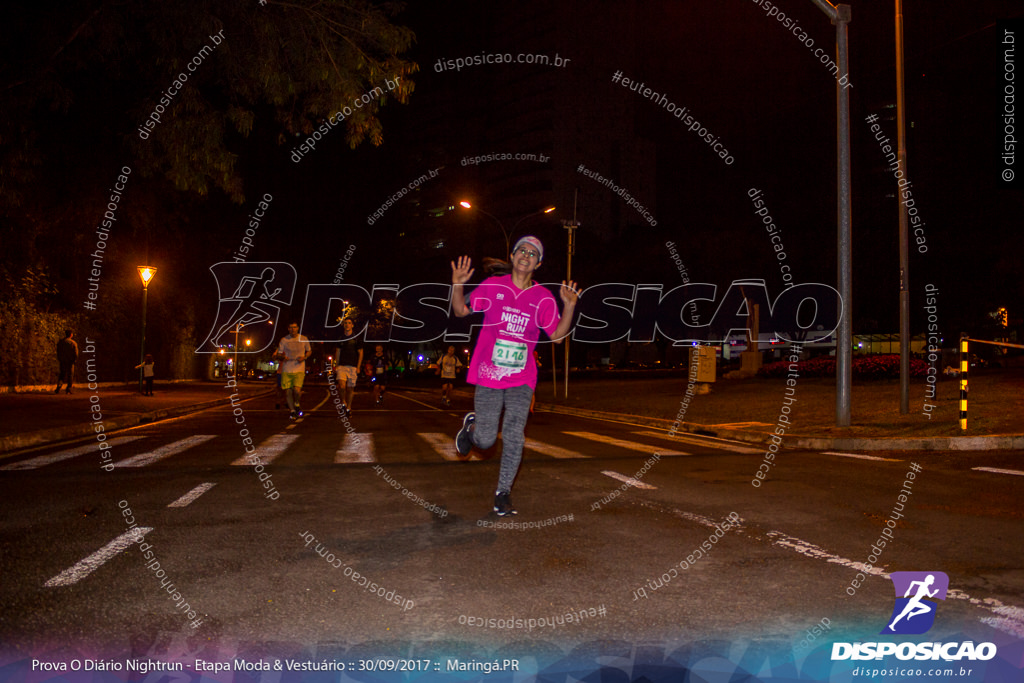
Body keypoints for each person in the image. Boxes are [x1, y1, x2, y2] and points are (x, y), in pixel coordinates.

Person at [451, 236, 578, 516]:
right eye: (522, 250)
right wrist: (457, 283)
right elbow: (461, 310)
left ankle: (503, 493)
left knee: (514, 435)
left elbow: (557, 338)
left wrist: (568, 307)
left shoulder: (543, 297)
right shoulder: (493, 286)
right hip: (489, 373)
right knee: (485, 442)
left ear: (538, 263)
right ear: (513, 255)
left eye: (533, 253)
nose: (526, 255)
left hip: (522, 378)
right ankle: (473, 427)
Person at [276, 322, 311, 419]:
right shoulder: (284, 340)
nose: (293, 329)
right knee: (288, 392)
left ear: (298, 328)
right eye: (291, 327)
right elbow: (278, 354)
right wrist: (283, 357)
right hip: (287, 368)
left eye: (294, 327)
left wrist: (304, 357)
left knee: (296, 390)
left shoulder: (303, 339)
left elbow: (309, 351)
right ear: (288, 329)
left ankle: (296, 403)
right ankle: (292, 411)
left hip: (299, 367)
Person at [334, 318, 363, 416]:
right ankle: (343, 402)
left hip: (353, 366)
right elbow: (338, 352)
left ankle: (349, 407)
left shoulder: (356, 338)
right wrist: (336, 365)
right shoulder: (340, 338)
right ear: (343, 325)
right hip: (342, 365)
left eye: (349, 323)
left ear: (352, 325)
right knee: (342, 386)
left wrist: (358, 366)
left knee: (350, 389)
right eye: (345, 323)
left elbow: (360, 352)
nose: (347, 325)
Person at [55, 329, 79, 394]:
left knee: (62, 374)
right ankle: (68, 389)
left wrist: (60, 358)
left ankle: (58, 387)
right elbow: (76, 353)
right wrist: (74, 360)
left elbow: (58, 351)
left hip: (63, 361)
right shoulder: (73, 343)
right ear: (71, 334)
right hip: (70, 362)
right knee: (70, 375)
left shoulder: (61, 342)